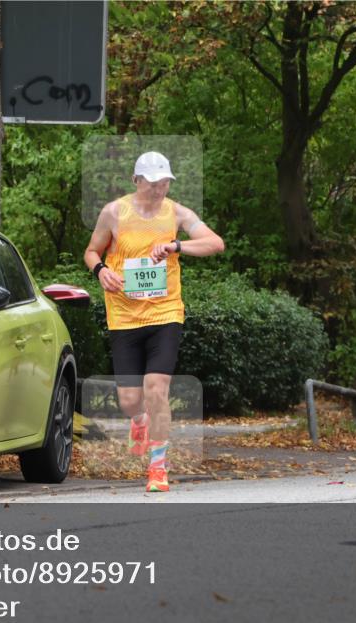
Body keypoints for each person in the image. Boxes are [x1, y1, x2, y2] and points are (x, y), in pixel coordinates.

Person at [84, 151, 225, 491]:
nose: (159, 190)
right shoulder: (114, 213)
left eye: (164, 183)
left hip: (165, 314)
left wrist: (177, 246)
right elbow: (91, 252)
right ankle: (138, 419)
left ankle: (158, 468)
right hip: (124, 316)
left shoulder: (176, 212)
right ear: (136, 181)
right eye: (152, 184)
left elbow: (215, 243)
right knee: (130, 399)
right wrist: (101, 271)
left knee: (157, 388)